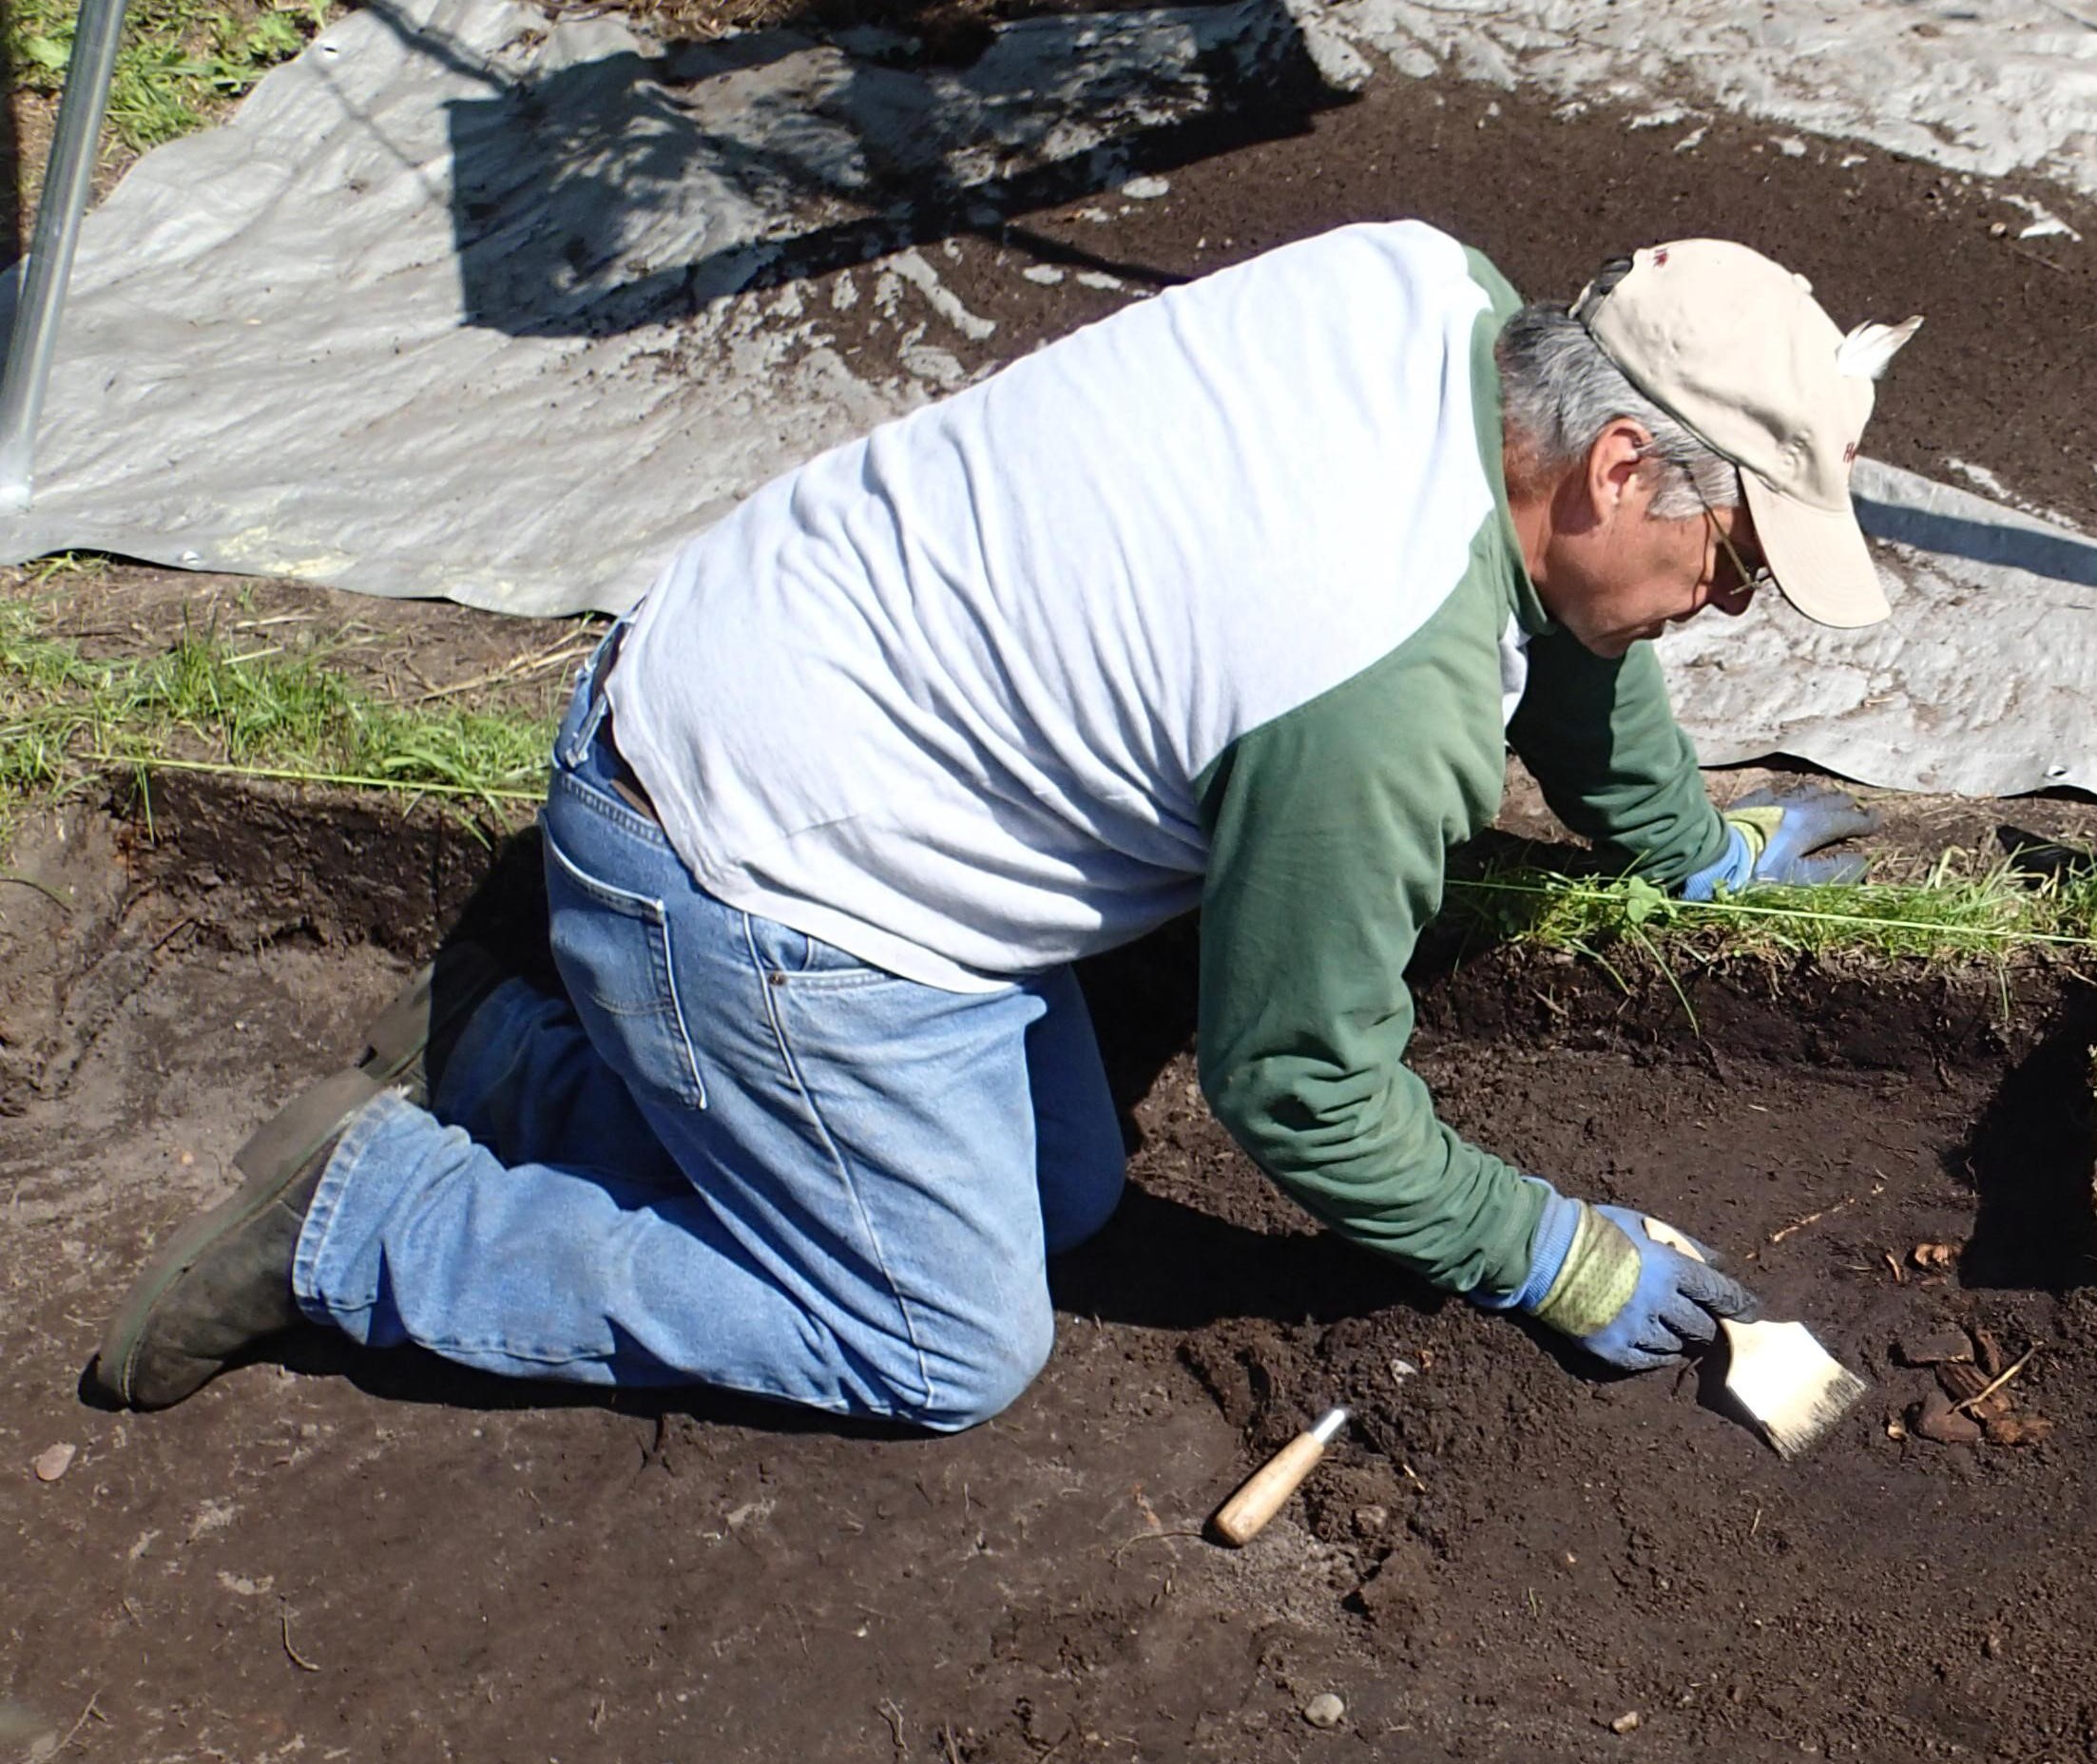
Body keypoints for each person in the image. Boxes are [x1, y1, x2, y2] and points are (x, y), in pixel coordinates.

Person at [95, 222, 1917, 1428]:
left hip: (758, 688)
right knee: (945, 1336)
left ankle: (512, 1038)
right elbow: (1300, 1090)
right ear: (1616, 465)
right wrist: (1546, 1247)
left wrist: (1689, 843)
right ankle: (372, 1222)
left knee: (1059, 1191)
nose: (1719, 610)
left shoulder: (1436, 296)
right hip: (758, 871)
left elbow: (1575, 619)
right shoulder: (1376, 692)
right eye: (1732, 568)